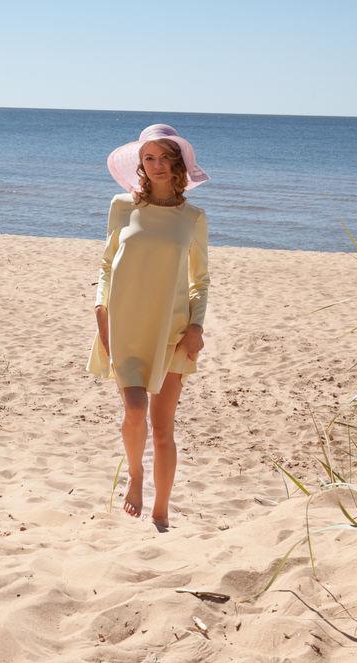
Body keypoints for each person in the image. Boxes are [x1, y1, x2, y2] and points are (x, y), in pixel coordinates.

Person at [86, 123, 210, 530]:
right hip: (125, 323)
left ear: (178, 164)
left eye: (165, 158)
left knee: (163, 429)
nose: (157, 165)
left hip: (172, 330)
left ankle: (162, 510)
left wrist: (197, 326)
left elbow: (200, 280)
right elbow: (106, 264)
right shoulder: (122, 206)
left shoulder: (193, 218)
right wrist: (100, 306)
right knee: (135, 411)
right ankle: (135, 476)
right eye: (149, 158)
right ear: (140, 164)